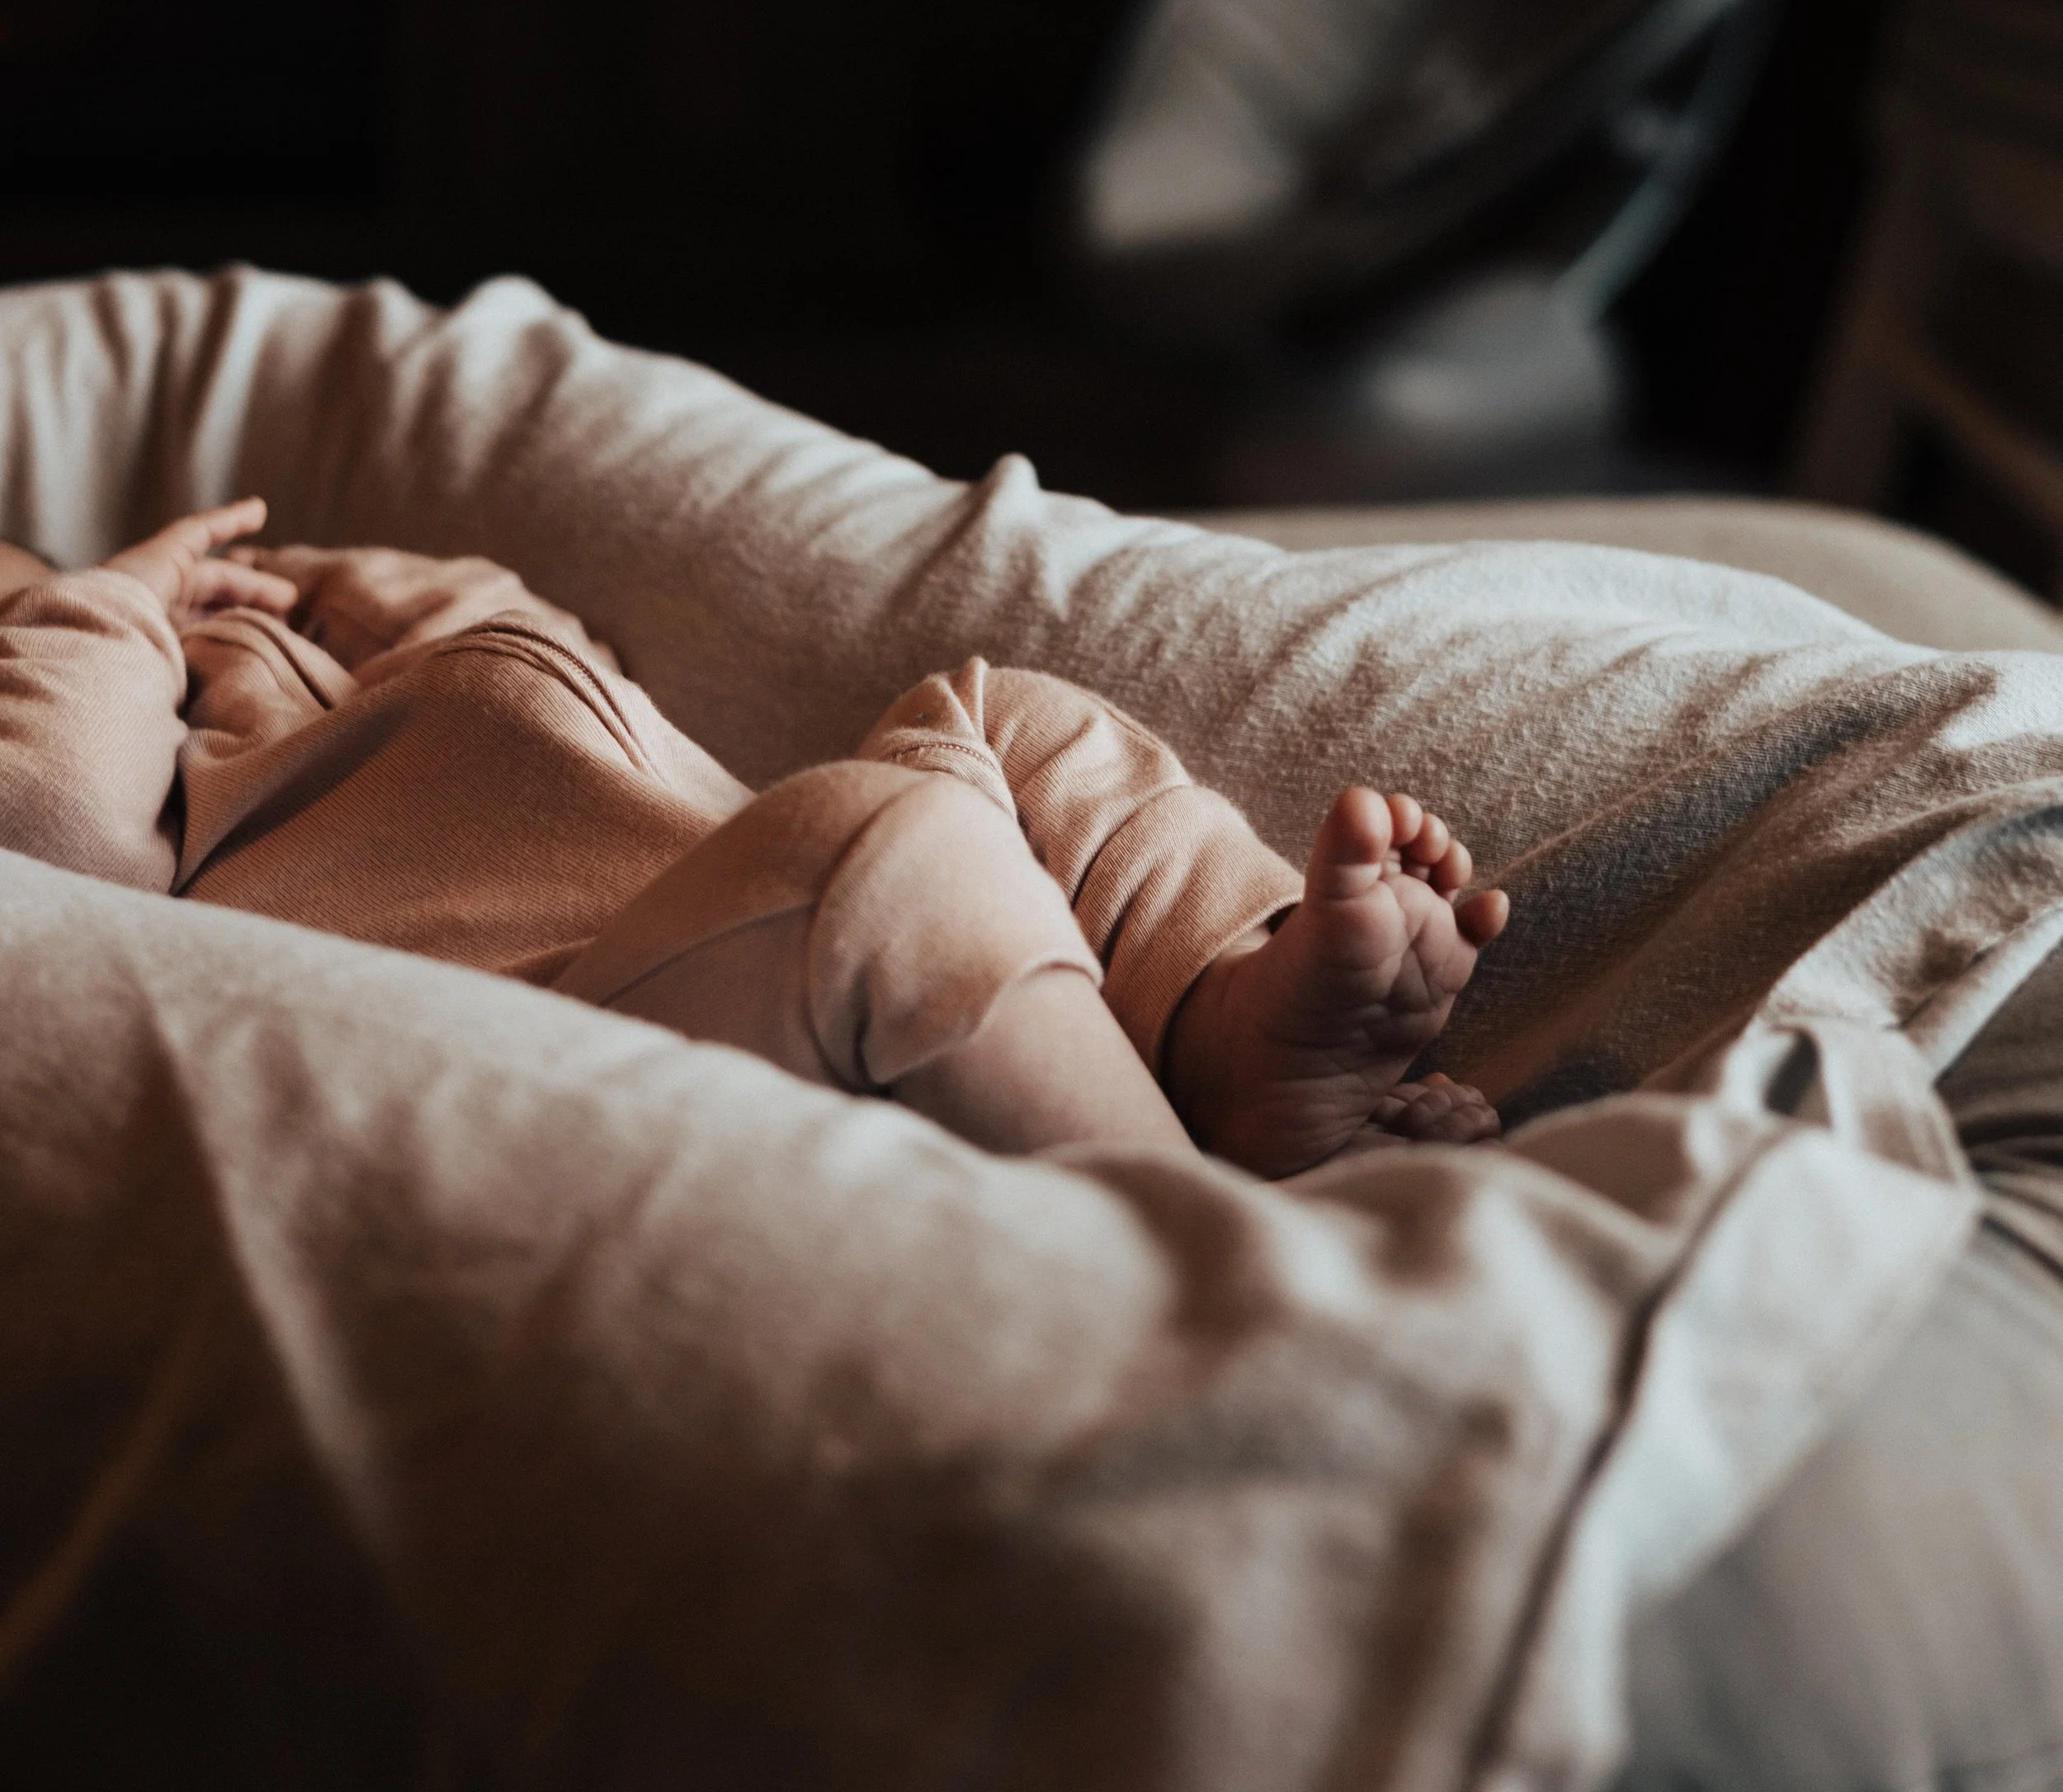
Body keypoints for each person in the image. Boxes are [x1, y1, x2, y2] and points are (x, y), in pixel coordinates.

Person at [0, 499, 1508, 1177]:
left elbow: (541, 655)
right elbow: (50, 840)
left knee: (1000, 718)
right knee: (883, 848)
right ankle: (1201, 1233)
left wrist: (367, 599)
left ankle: (1229, 1016)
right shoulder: (123, 738)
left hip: (726, 878)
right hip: (574, 1011)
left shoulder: (282, 658)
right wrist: (100, 606)